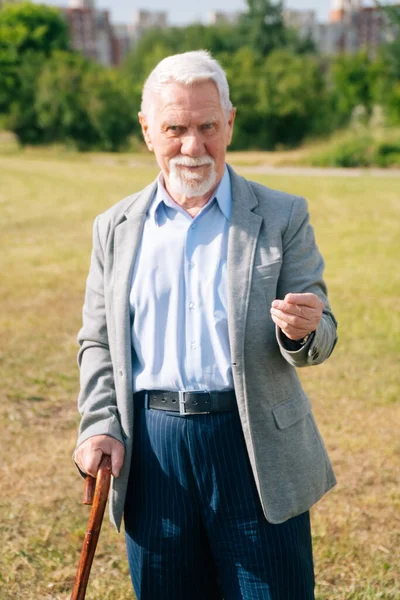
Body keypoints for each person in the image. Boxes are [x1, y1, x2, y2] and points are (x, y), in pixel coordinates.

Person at [74, 50, 338, 600]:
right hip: (153, 454)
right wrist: (99, 424)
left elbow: (320, 332)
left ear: (230, 123)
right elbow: (98, 341)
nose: (193, 147)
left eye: (208, 127)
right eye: (175, 129)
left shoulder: (282, 215)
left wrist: (303, 331)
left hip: (252, 446)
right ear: (147, 130)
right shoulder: (115, 227)